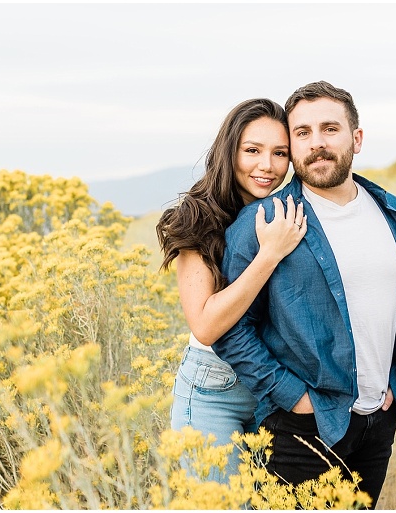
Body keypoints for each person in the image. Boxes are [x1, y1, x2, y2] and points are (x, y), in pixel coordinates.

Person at [213, 81, 396, 508]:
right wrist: (294, 398)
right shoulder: (266, 220)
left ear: (356, 139)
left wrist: (394, 387)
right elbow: (231, 330)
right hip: (300, 429)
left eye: (330, 128)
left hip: (377, 422)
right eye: (303, 133)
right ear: (291, 147)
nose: (317, 144)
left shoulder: (389, 210)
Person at [156, 98, 307, 482]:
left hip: (273, 384)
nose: (267, 166)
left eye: (280, 153)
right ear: (229, 151)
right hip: (214, 391)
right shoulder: (196, 217)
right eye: (252, 151)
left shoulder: (286, 213)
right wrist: (268, 255)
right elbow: (206, 325)